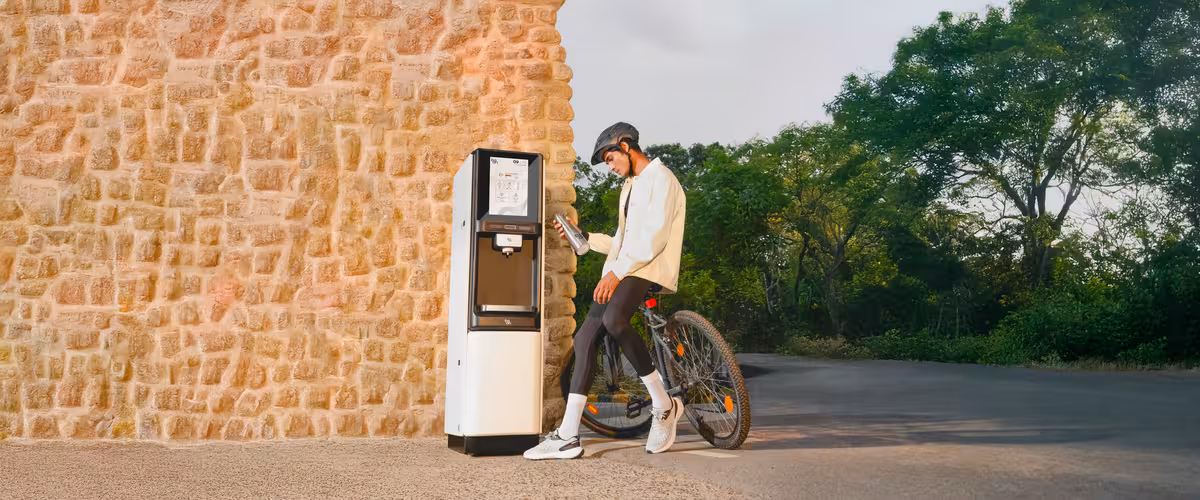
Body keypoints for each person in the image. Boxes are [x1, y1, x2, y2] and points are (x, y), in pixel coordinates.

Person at [524, 122, 688, 460]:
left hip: (647, 268)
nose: (610, 166)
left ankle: (663, 404)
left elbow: (653, 239)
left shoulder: (662, 179)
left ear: (626, 146)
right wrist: (583, 237)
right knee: (584, 340)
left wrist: (615, 273)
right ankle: (568, 435)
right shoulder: (631, 187)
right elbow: (622, 241)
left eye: (611, 158)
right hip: (625, 268)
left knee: (614, 320)